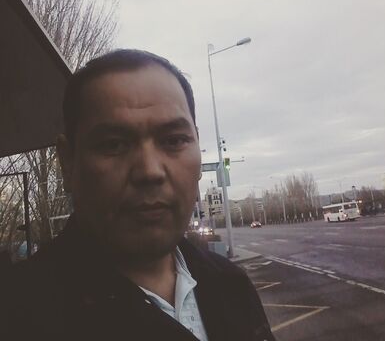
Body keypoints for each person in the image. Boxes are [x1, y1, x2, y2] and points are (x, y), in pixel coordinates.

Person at [0, 49, 275, 341]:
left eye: (174, 140)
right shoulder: (17, 315)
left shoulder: (232, 284)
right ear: (68, 162)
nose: (150, 171)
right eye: (113, 144)